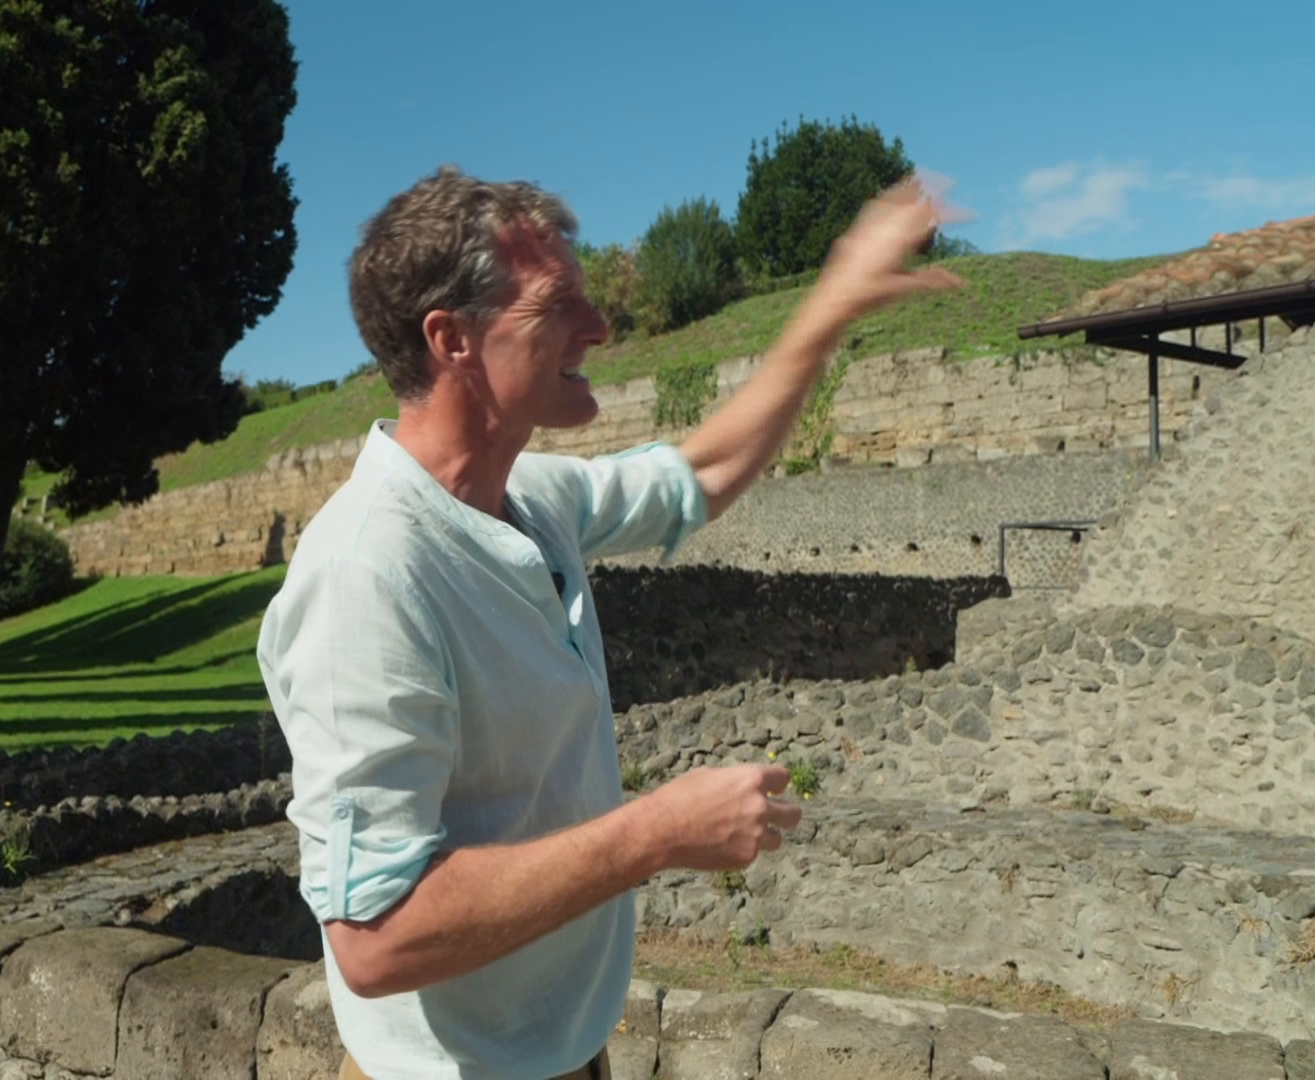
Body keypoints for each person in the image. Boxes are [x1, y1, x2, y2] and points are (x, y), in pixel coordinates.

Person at [257, 167, 963, 1080]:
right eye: (559, 305)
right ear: (452, 339)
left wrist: (830, 306)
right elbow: (376, 935)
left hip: (566, 1050)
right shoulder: (367, 574)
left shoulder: (530, 497)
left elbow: (702, 474)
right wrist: (656, 831)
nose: (598, 328)